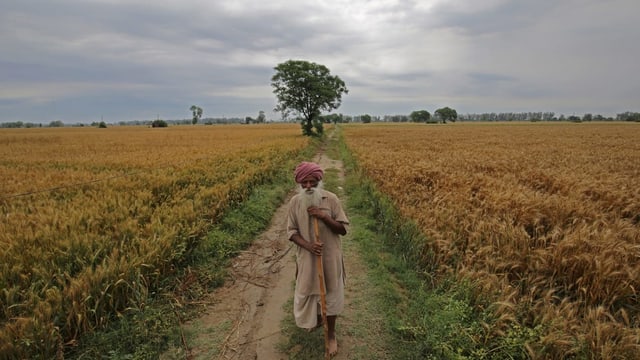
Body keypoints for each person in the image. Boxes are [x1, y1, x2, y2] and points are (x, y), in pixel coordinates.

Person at [287, 161, 349, 357]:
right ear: (299, 182)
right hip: (307, 257)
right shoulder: (295, 202)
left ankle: (331, 335)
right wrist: (308, 246)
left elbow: (342, 229)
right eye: (304, 183)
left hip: (330, 258)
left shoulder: (331, 199)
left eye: (312, 182)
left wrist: (324, 216)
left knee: (330, 294)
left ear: (319, 181)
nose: (308, 187)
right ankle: (315, 320)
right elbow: (292, 232)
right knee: (308, 291)